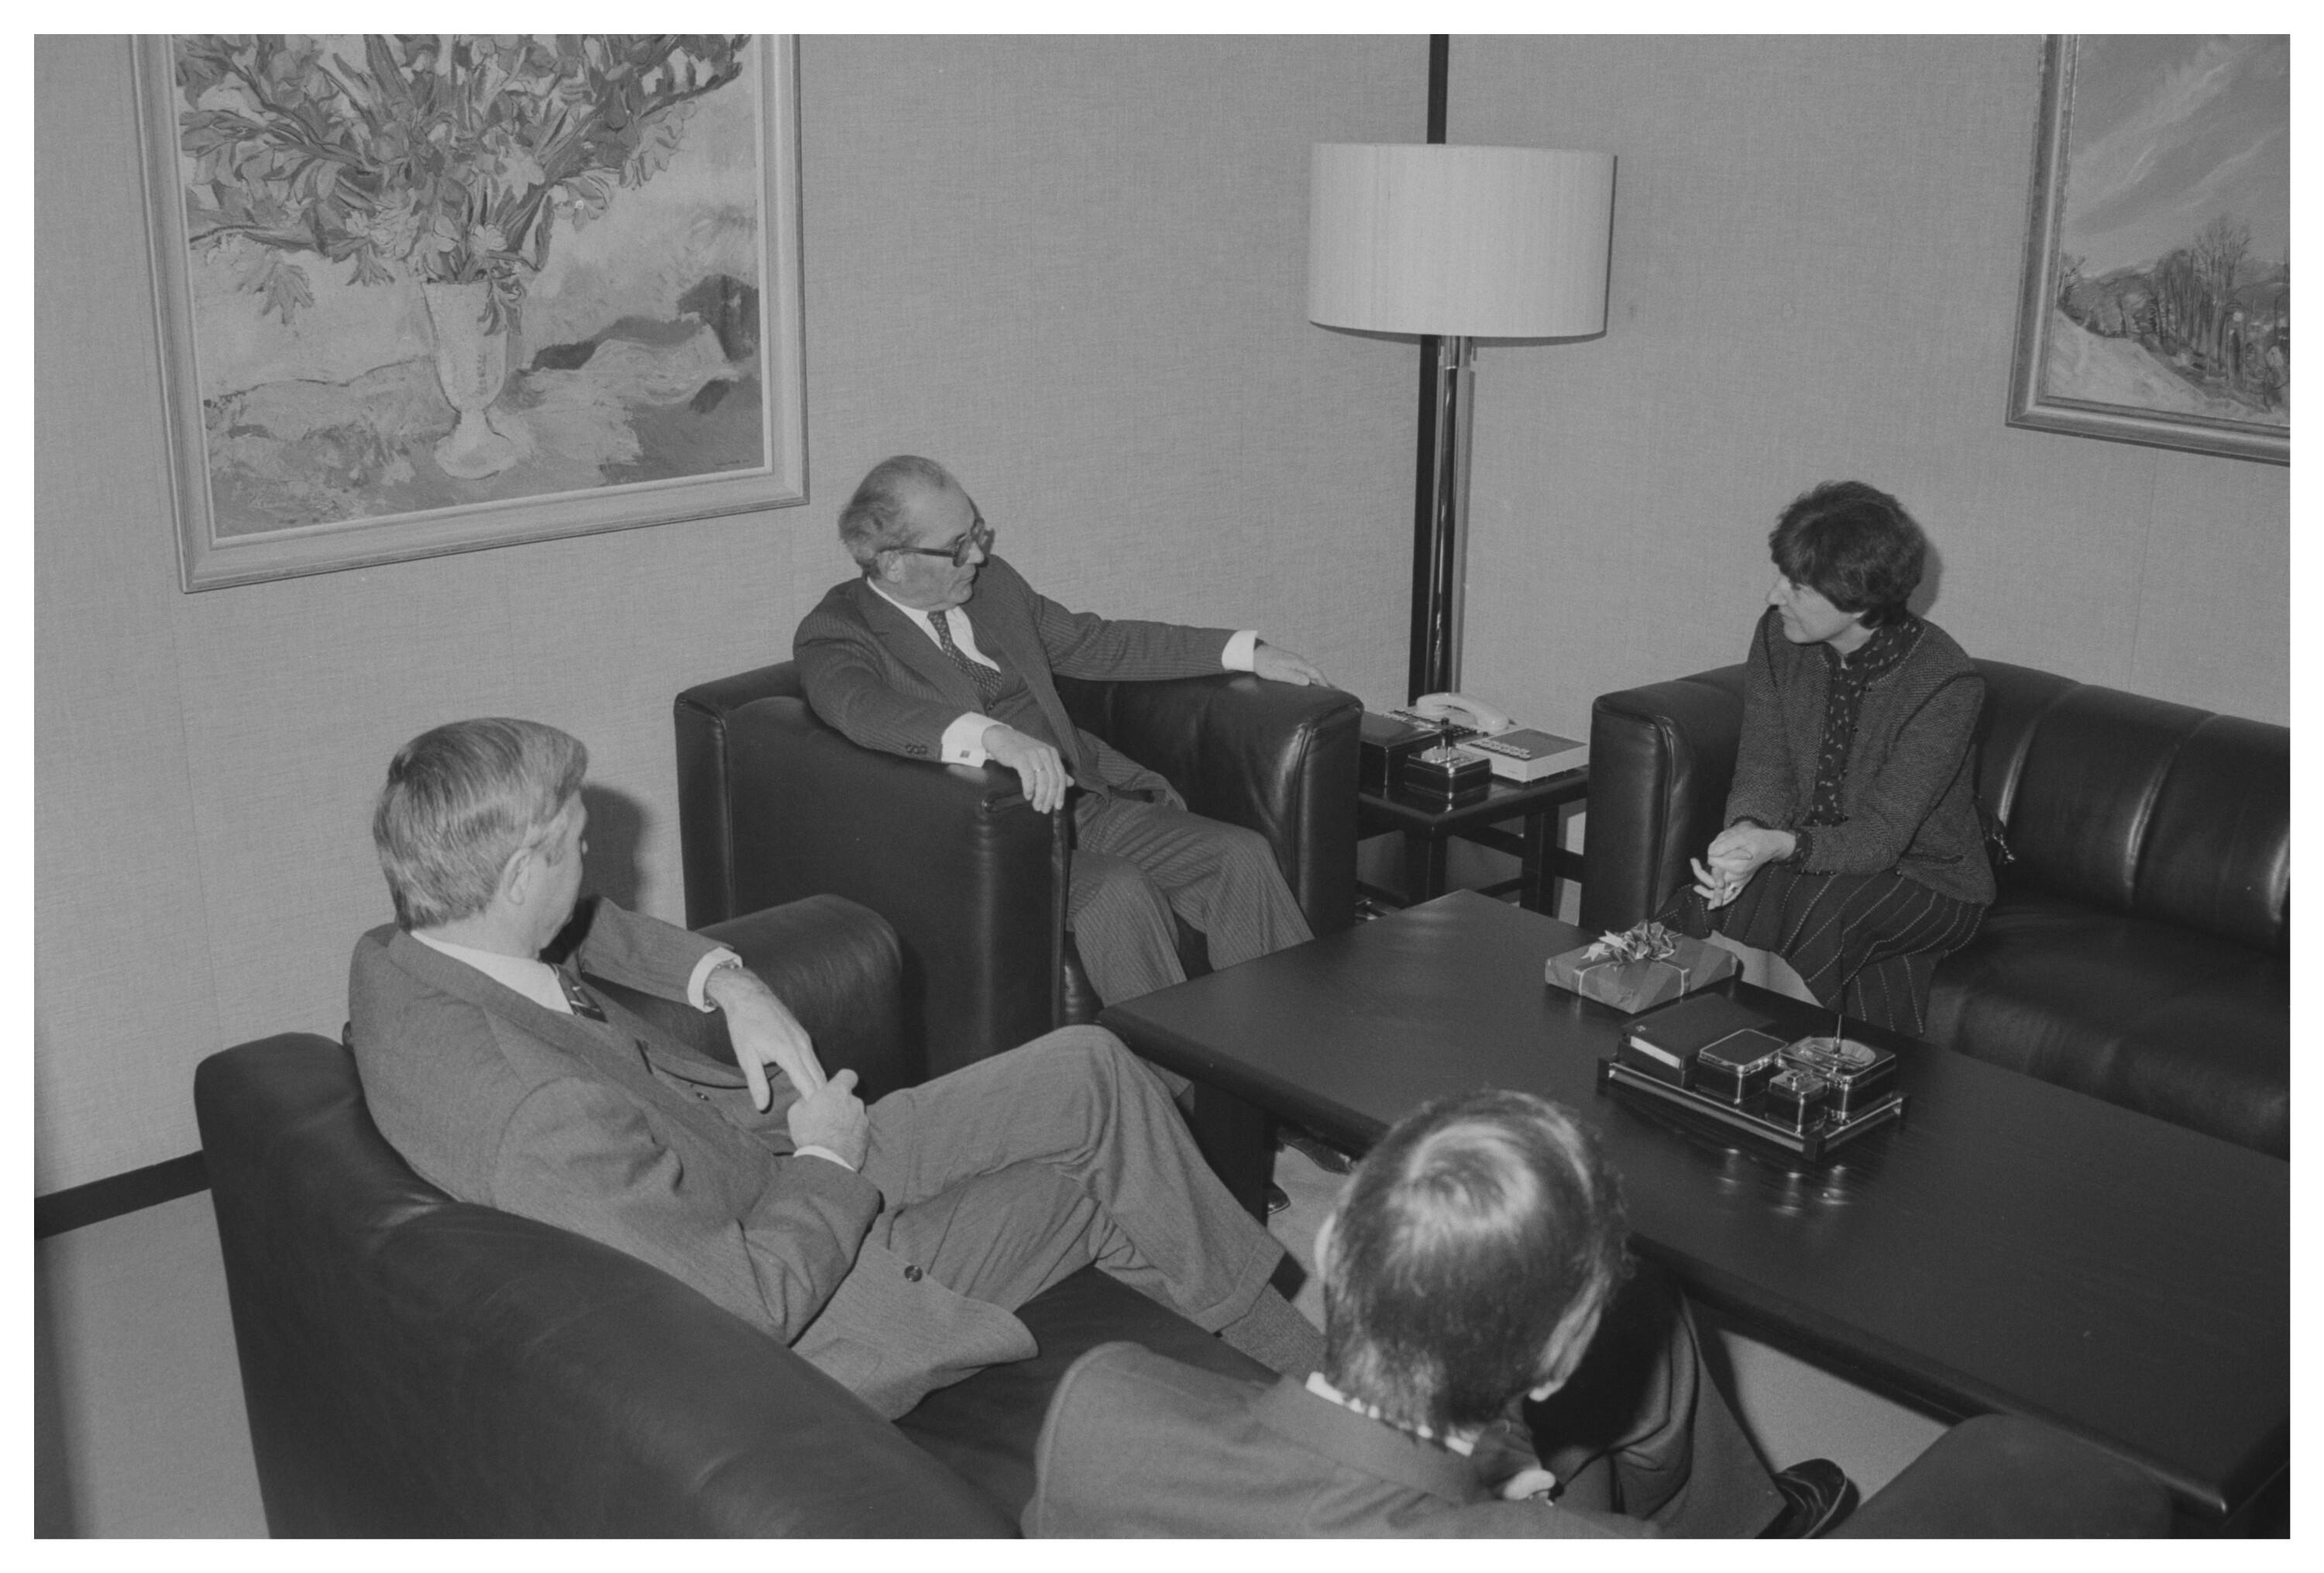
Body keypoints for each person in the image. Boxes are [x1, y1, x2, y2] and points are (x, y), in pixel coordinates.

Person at [346, 717, 1323, 1421]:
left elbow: (588, 927)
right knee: (1097, 1186)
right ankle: (1315, 1391)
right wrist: (825, 1159)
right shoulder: (536, 1114)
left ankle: (1281, 1364)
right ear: (520, 876)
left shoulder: (406, 952)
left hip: (755, 1164)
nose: (594, 854)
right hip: (813, 1302)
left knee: (1091, 1065)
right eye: (574, 846)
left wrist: (727, 979)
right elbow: (748, 1305)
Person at [1024, 1089, 2173, 1539]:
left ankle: (1750, 1508)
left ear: (1328, 1246)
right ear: (1562, 1352)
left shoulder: (1102, 1406)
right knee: (1656, 1323)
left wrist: (1486, 1485)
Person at [794, 454, 1328, 1008]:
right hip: (990, 843)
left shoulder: (995, 589)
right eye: (957, 546)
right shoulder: (837, 631)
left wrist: (1245, 652)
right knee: (1118, 893)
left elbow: (1095, 642)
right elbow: (860, 706)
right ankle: (1171, 1064)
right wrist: (992, 736)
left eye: (976, 533)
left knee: (1239, 855)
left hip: (1080, 804)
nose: (978, 556)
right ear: (893, 562)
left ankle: (1293, 1041)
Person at [1676, 480, 1992, 1036]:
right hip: (1809, 848)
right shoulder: (1778, 638)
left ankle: (1793, 1069)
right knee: (1722, 899)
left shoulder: (1945, 685)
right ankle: (1716, 1057)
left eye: (1798, 588)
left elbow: (1880, 837)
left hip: (1926, 876)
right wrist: (1747, 832)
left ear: (1859, 602)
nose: (1775, 595)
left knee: (1813, 910)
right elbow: (1764, 764)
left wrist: (1780, 847)